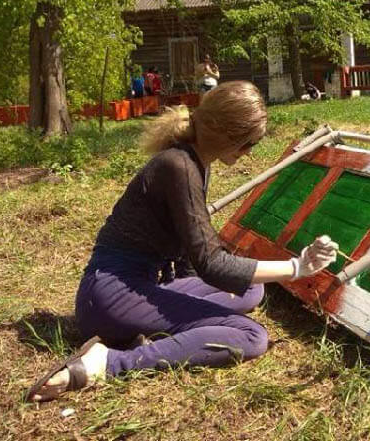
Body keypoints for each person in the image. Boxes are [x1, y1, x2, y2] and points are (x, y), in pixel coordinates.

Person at [25, 81, 340, 402]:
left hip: (128, 287)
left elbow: (192, 254)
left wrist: (199, 297)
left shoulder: (193, 164)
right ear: (230, 137)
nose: (250, 152)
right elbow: (211, 263)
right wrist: (296, 267)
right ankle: (109, 362)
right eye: (251, 144)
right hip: (111, 297)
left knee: (251, 288)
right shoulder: (180, 167)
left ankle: (158, 333)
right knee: (251, 335)